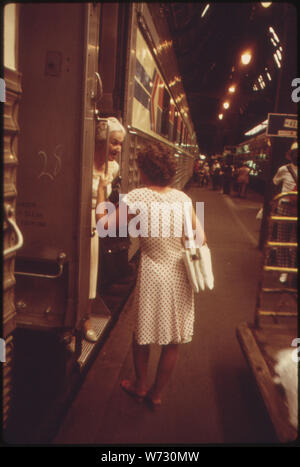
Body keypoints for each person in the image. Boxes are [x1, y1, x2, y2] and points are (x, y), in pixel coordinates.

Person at [96, 142, 207, 409]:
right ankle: (156, 393)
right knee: (173, 340)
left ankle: (140, 384)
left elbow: (104, 226)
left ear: (145, 169)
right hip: (180, 273)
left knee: (141, 333)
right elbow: (201, 239)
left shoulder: (138, 197)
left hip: (153, 273)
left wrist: (101, 192)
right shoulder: (182, 199)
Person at [84, 117, 126, 342]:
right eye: (114, 143)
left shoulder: (114, 168)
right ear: (101, 141)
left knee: (92, 273)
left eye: (120, 144)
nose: (118, 149)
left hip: (97, 224)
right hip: (79, 220)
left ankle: (86, 319)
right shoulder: (83, 160)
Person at [272, 141, 298, 284]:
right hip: (285, 207)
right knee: (282, 239)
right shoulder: (284, 169)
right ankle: (284, 270)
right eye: (296, 153)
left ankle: (291, 270)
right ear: (291, 155)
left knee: (294, 241)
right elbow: (275, 184)